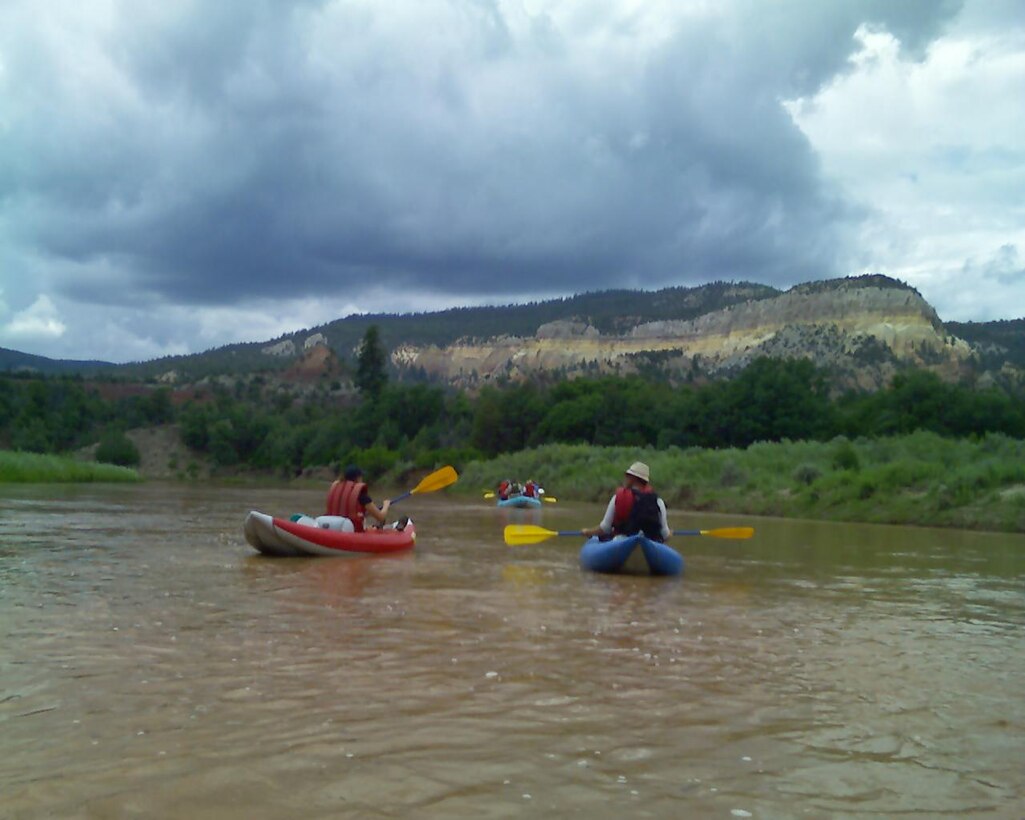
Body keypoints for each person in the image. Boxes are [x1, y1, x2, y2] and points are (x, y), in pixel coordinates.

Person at [581, 461, 670, 542]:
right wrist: (671, 534)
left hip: (621, 541)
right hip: (649, 542)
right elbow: (665, 534)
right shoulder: (658, 501)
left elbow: (605, 529)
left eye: (628, 475)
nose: (625, 478)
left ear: (633, 478)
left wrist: (588, 532)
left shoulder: (617, 497)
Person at [325, 464, 391, 531]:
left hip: (332, 527)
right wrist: (386, 505)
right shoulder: (361, 494)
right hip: (351, 531)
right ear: (358, 478)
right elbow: (381, 517)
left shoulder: (336, 488)